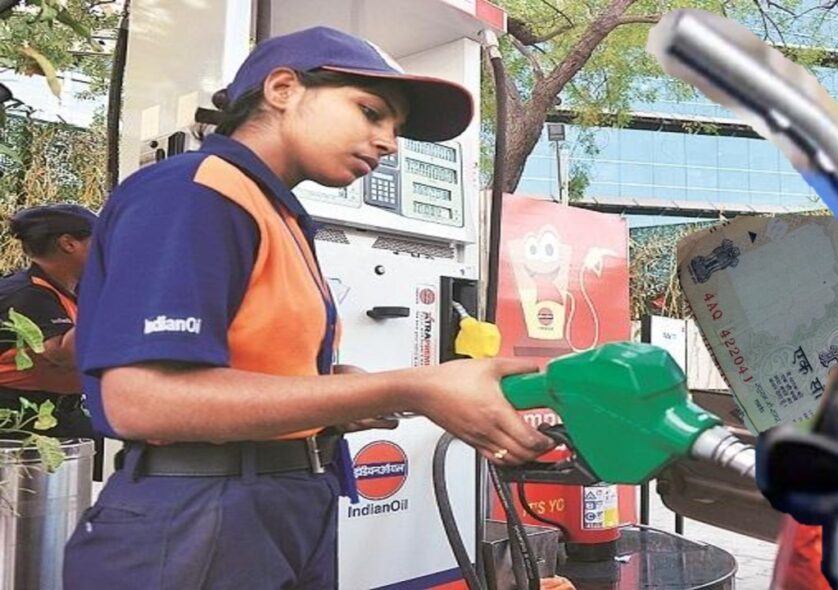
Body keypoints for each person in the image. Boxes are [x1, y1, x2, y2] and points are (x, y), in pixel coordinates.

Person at [63, 27, 553, 589]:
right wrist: (410, 387)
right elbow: (143, 400)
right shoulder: (195, 190)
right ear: (283, 89)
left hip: (279, 505)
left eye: (395, 129)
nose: (389, 143)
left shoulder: (279, 213)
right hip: (199, 514)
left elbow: (245, 364)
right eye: (371, 112)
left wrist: (335, 392)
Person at [0, 204, 96, 440]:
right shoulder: (25, 294)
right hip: (19, 422)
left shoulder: (73, 291)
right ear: (68, 243)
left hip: (62, 412)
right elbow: (66, 354)